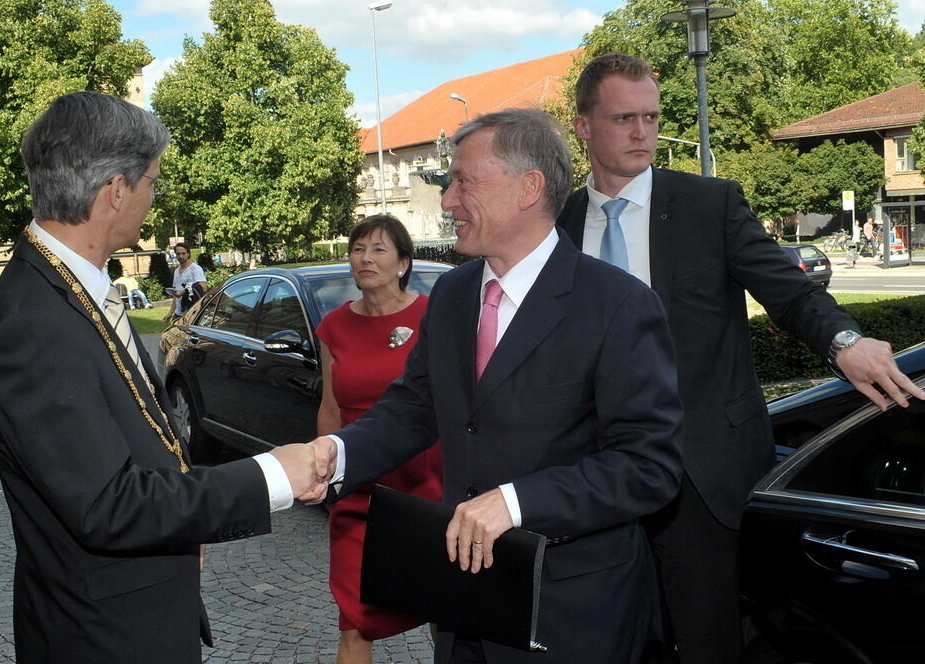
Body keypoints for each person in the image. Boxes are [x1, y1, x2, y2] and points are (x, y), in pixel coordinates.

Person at [556, 52, 925, 664]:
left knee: (707, 645)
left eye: (651, 116)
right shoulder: (558, 223)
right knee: (613, 642)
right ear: (583, 126)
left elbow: (791, 294)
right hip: (595, 476)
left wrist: (845, 343)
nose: (644, 132)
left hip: (701, 476)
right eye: (625, 118)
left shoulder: (709, 204)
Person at [306, 108, 685, 663]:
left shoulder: (617, 305)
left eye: (464, 180)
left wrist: (515, 501)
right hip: (464, 606)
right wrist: (333, 454)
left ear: (528, 187)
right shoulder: (455, 295)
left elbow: (649, 466)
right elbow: (413, 409)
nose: (448, 200)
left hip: (572, 613)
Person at [0, 91, 326, 664]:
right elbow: (108, 504)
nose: (152, 199)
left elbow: (136, 436)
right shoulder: (34, 322)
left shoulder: (66, 288)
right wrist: (269, 477)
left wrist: (185, 524)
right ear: (116, 189)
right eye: (151, 183)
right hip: (103, 636)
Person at [316, 214, 443, 664]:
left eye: (379, 249)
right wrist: (324, 475)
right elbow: (330, 409)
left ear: (404, 262)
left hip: (425, 487)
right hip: (358, 488)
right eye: (357, 249)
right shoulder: (332, 326)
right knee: (354, 619)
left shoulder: (432, 315)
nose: (365, 258)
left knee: (442, 607)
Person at [163, 241, 207, 321]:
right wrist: (170, 313)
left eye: (183, 253)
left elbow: (203, 288)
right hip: (178, 313)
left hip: (192, 312)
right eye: (178, 254)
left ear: (188, 254)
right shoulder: (176, 271)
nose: (181, 256)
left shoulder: (195, 269)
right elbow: (175, 297)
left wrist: (184, 292)